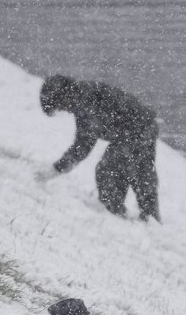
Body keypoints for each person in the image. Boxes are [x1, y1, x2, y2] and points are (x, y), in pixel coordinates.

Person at [40, 75, 161, 222]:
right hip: (142, 128)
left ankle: (116, 214)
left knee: (109, 170)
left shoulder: (86, 102)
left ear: (63, 94)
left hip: (138, 130)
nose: (65, 110)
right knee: (140, 173)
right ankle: (147, 217)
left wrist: (55, 170)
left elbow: (83, 146)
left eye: (60, 106)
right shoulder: (82, 96)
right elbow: (83, 143)